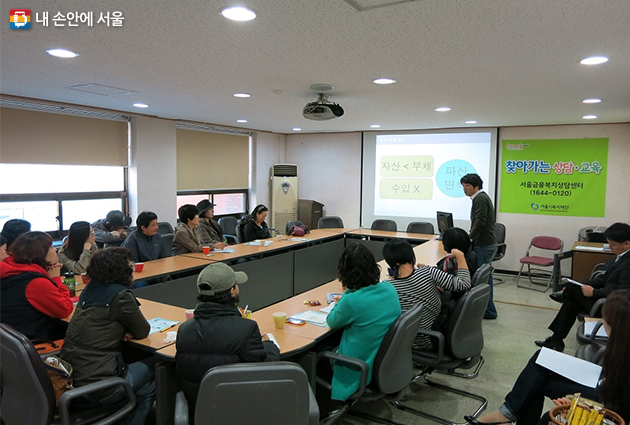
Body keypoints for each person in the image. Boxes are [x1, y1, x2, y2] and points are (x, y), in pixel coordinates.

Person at [467, 289, 630, 425]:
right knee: (541, 358)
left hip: (606, 397)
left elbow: (616, 407)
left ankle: (506, 414)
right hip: (602, 382)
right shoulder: (620, 346)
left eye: (605, 321)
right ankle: (507, 413)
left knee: (537, 386)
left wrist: (581, 406)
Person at [60, 247, 155, 425]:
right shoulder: (120, 295)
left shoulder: (89, 290)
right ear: (120, 269)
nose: (132, 267)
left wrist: (119, 329)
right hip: (100, 386)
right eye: (129, 264)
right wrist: (125, 330)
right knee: (158, 367)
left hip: (73, 378)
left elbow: (101, 324)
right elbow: (142, 331)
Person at [175, 262, 280, 412]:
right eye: (236, 285)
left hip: (200, 410)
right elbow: (264, 368)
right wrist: (269, 346)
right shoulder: (246, 328)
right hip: (241, 409)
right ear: (232, 291)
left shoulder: (184, 329)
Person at [535, 222, 630, 352]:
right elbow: (604, 277)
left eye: (613, 244)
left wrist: (594, 292)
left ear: (627, 244)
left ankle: (564, 297)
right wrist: (585, 285)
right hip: (602, 298)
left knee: (571, 292)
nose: (610, 247)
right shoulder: (620, 256)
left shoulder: (628, 263)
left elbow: (623, 292)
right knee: (570, 301)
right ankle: (556, 340)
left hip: (609, 305)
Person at [326, 243, 401, 401]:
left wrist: (347, 292)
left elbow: (331, 321)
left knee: (317, 352)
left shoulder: (352, 301)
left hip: (360, 367)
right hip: (384, 361)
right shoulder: (389, 288)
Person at [383, 238, 471, 349]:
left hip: (417, 342)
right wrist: (460, 255)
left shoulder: (389, 287)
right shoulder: (428, 272)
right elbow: (464, 283)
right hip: (441, 334)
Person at [0, 231, 73, 340]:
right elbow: (65, 310)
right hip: (35, 339)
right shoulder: (35, 283)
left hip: (11, 341)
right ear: (41, 253)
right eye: (51, 247)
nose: (55, 250)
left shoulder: (11, 270)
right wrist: (56, 279)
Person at [460, 173, 497, 319]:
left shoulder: (480, 198)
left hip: (484, 245)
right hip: (484, 243)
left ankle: (489, 311)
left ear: (477, 186)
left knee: (483, 279)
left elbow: (480, 222)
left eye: (468, 186)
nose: (465, 189)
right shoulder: (479, 198)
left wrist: (469, 239)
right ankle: (487, 310)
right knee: (484, 278)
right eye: (463, 186)